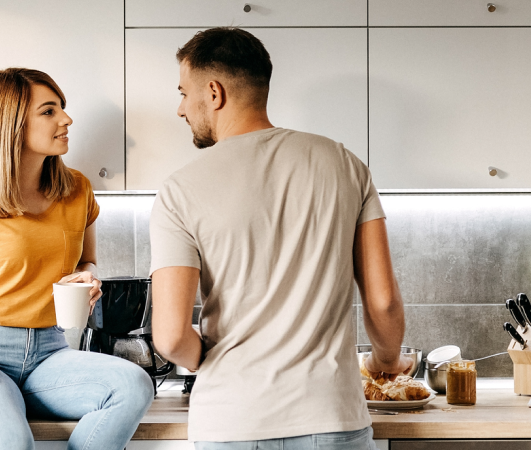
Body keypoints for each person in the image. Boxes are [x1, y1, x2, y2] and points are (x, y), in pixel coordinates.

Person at [149, 28, 410, 449]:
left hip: (233, 423)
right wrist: (386, 362)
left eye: (183, 93)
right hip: (332, 417)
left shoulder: (180, 189)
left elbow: (170, 337)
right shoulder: (344, 163)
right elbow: (383, 302)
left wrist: (214, 362)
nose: (181, 109)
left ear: (214, 93)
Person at [0, 68, 154, 450]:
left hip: (50, 353)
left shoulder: (77, 190)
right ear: (11, 124)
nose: (66, 119)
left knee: (133, 385)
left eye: (62, 108)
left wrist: (88, 279)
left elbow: (86, 262)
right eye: (49, 111)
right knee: (12, 443)